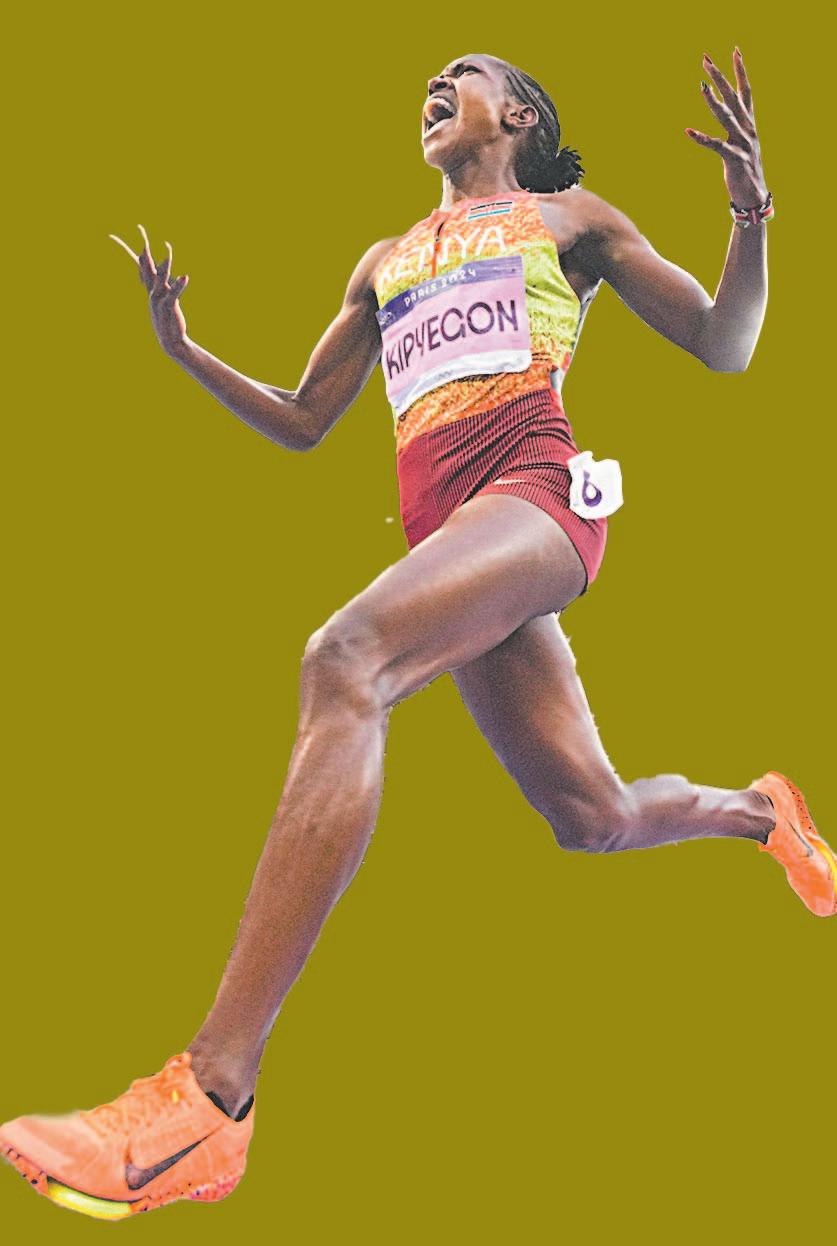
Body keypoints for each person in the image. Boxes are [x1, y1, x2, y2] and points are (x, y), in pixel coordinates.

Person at [2, 48, 834, 1222]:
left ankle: (209, 1100)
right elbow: (305, 418)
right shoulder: (385, 262)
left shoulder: (569, 221)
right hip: (453, 540)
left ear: (521, 115)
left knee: (346, 657)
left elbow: (723, 341)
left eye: (463, 75)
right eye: (429, 82)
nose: (436, 89)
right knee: (591, 816)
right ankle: (761, 812)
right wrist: (186, 351)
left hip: (536, 499)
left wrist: (751, 213)